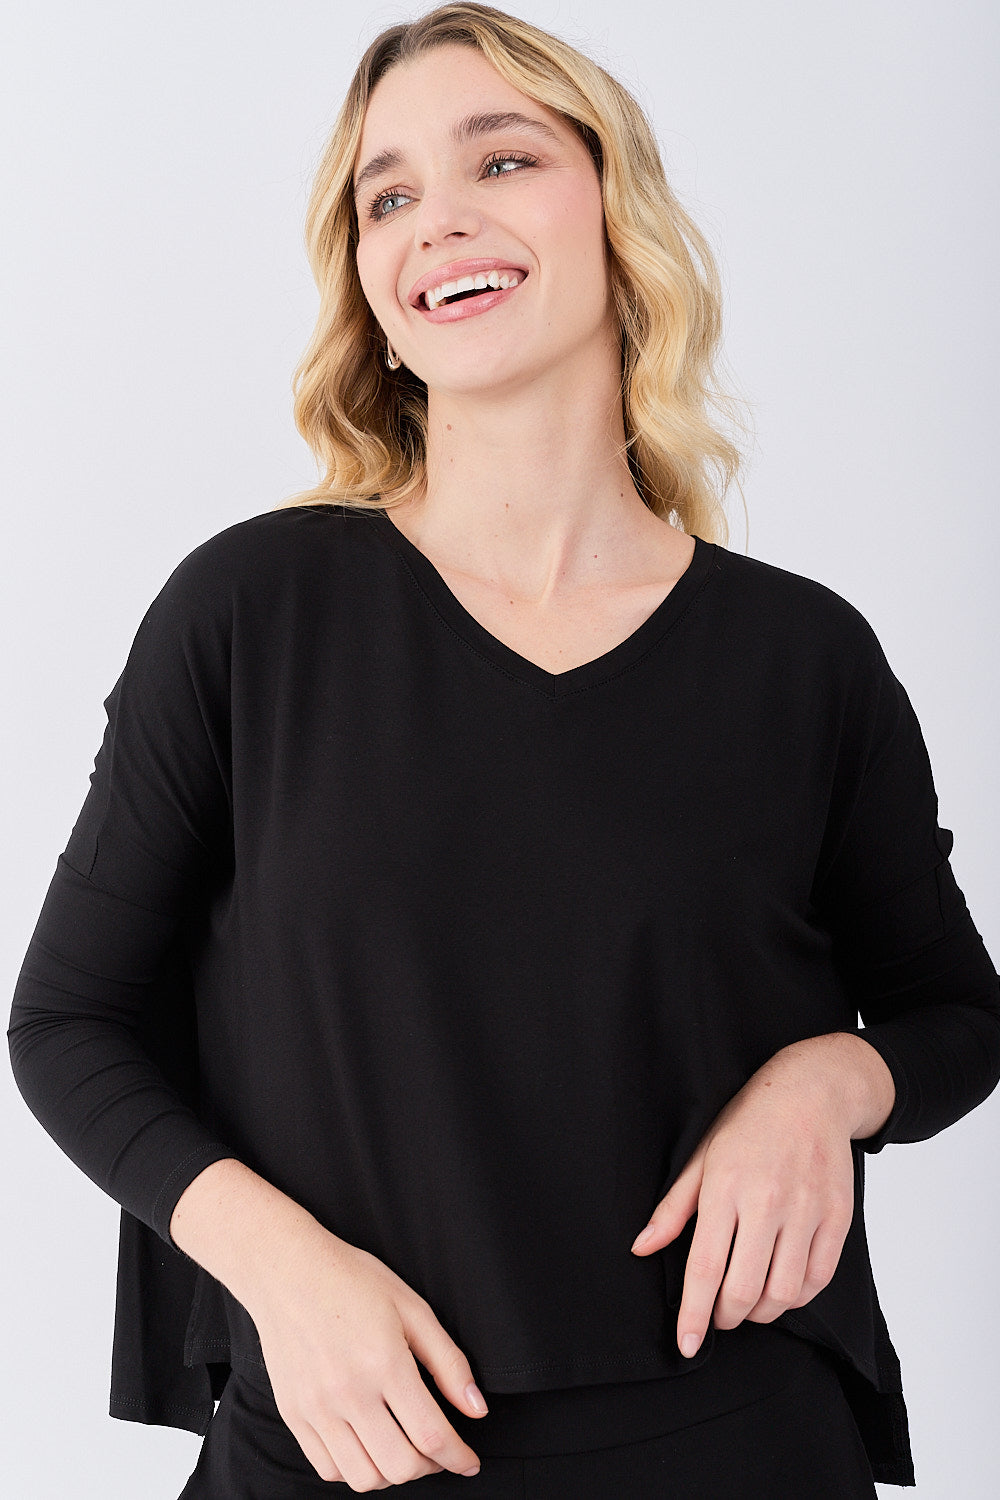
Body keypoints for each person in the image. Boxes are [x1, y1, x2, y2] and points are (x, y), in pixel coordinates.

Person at [8, 3, 1000, 1496]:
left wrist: (827, 1083)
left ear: (616, 206)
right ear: (367, 277)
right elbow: (69, 1022)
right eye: (388, 195)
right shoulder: (249, 613)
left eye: (503, 159)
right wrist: (284, 1275)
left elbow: (955, 1015)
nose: (439, 220)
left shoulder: (805, 659)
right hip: (342, 1445)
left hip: (737, 1447)